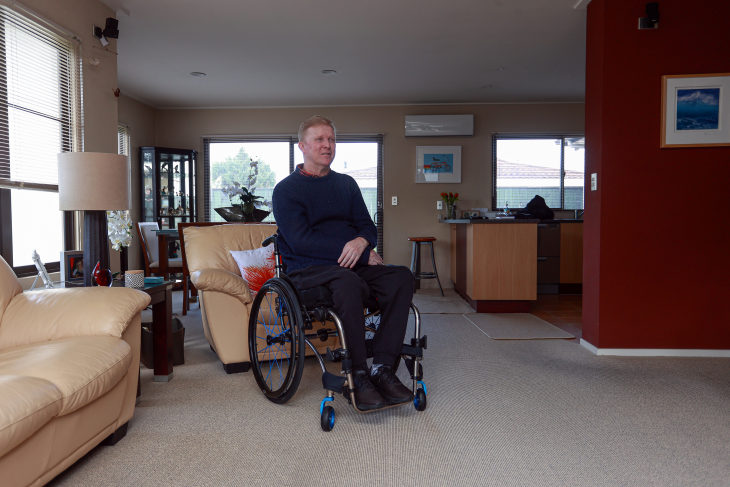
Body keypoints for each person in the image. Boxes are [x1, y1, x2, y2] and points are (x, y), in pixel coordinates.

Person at [272, 115, 415, 411]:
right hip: (308, 269)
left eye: (332, 139)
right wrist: (360, 252)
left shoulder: (346, 184)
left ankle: (383, 368)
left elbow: (367, 226)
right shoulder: (286, 190)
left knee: (401, 276)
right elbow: (300, 241)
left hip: (350, 264)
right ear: (303, 146)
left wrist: (363, 242)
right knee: (348, 281)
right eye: (320, 140)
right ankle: (358, 373)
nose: (327, 145)